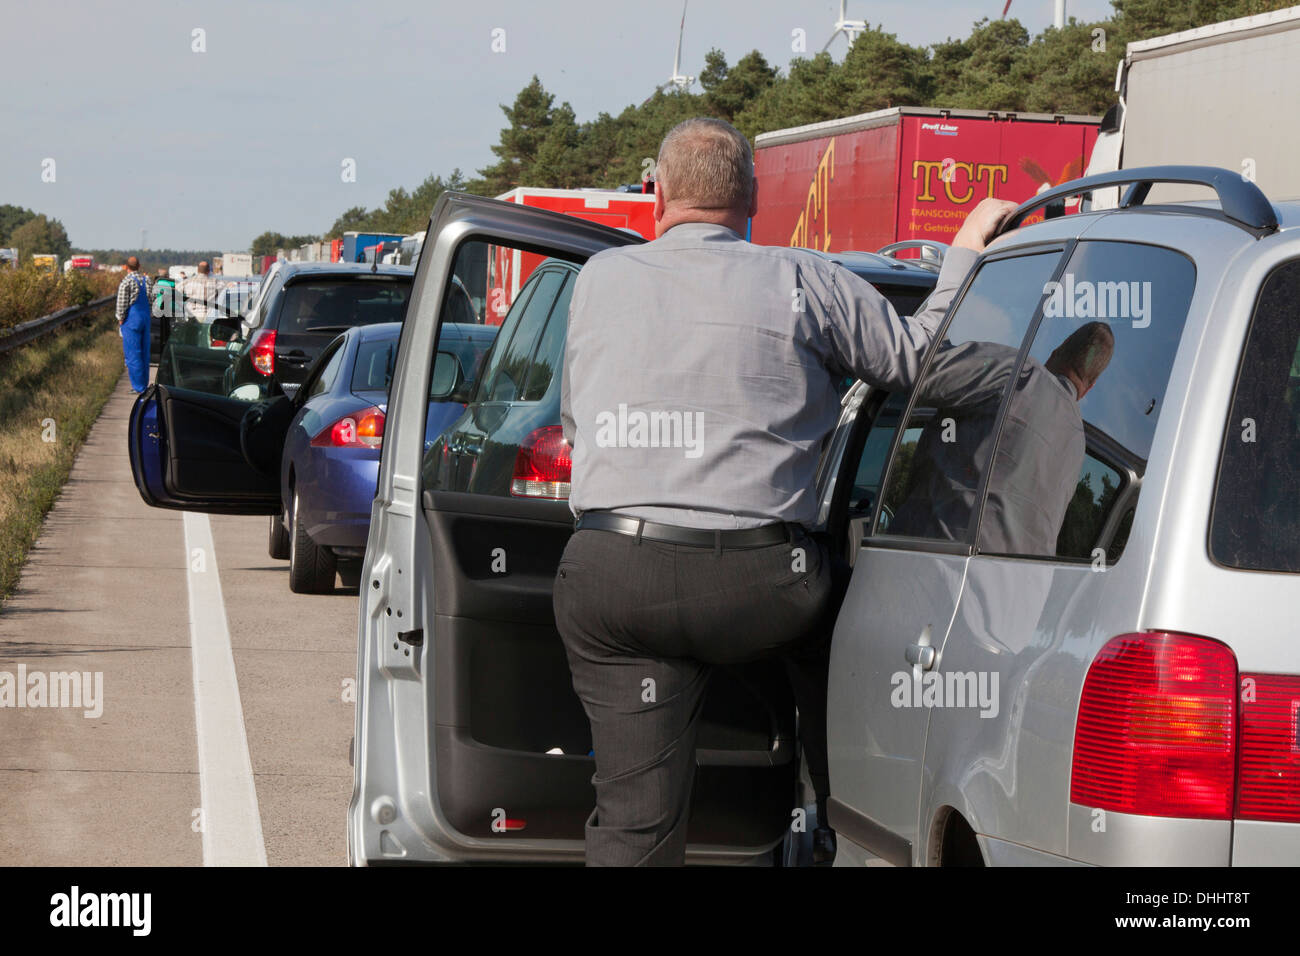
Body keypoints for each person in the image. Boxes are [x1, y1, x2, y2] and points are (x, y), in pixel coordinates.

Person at [553, 115, 1017, 866]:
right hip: (762, 582)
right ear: (754, 199)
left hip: (617, 578)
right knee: (842, 626)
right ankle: (840, 806)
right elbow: (918, 362)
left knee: (635, 822)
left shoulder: (600, 279)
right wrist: (963, 253)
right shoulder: (806, 279)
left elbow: (579, 424)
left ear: (658, 194)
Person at [890, 322, 1115, 555]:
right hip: (1022, 585)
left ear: (1056, 351)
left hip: (932, 561)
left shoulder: (1018, 374)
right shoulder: (1077, 445)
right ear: (1089, 387)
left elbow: (922, 368)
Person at [114, 256, 153, 393]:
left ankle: (138, 387)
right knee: (145, 352)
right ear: (139, 266)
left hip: (132, 319)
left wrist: (120, 318)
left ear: (126, 267)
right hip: (145, 318)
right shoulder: (146, 280)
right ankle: (144, 383)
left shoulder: (126, 281)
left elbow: (122, 303)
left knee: (133, 354)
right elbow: (151, 300)